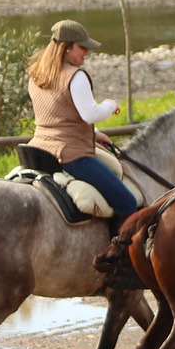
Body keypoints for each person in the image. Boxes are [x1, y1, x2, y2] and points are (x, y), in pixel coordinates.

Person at [26, 19, 137, 229]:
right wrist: (110, 104)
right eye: (82, 47)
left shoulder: (36, 74)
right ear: (66, 47)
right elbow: (89, 114)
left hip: (39, 150)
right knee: (127, 202)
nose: (86, 52)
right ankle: (118, 258)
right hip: (71, 156)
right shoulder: (75, 76)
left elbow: (58, 115)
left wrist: (94, 134)